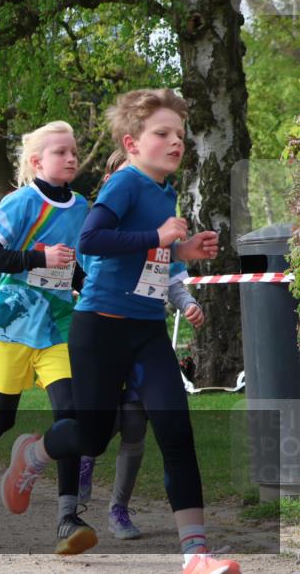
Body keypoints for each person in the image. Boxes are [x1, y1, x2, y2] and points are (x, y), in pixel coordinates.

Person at [0, 90, 237, 574]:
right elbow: (91, 240)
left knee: (176, 431)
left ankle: (195, 554)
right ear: (132, 143)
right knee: (91, 437)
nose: (176, 142)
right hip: (100, 328)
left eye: (180, 134)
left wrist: (182, 251)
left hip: (147, 330)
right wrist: (158, 237)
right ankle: (34, 453)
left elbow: (144, 255)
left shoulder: (165, 190)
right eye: (162, 133)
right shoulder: (125, 183)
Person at [0, 120, 93, 555]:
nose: (71, 157)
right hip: (14, 320)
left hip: (58, 324)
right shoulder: (22, 201)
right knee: (3, 415)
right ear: (36, 161)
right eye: (60, 152)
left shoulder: (83, 207)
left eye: (74, 151)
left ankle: (67, 518)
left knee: (70, 416)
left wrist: (95, 291)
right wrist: (39, 257)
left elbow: (78, 269)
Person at [77, 149, 207, 542]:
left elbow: (172, 276)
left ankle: (119, 508)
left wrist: (188, 303)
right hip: (104, 333)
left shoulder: (160, 220)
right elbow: (93, 262)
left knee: (138, 425)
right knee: (97, 427)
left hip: (145, 337)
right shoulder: (102, 232)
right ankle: (80, 462)